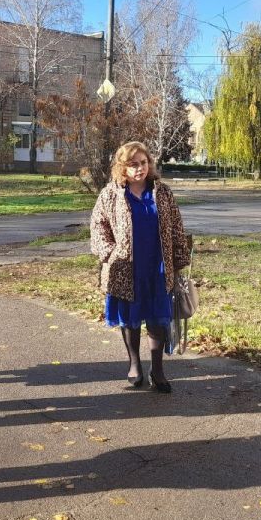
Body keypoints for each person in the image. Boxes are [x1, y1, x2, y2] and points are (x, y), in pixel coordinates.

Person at [90, 141, 191, 393]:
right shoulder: (111, 193)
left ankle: (157, 369)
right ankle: (134, 364)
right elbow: (98, 227)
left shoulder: (162, 192)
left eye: (143, 163)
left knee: (158, 318)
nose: (140, 169)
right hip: (126, 268)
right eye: (133, 164)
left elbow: (177, 227)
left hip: (158, 267)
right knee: (130, 318)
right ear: (122, 167)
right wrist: (110, 254)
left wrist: (179, 261)